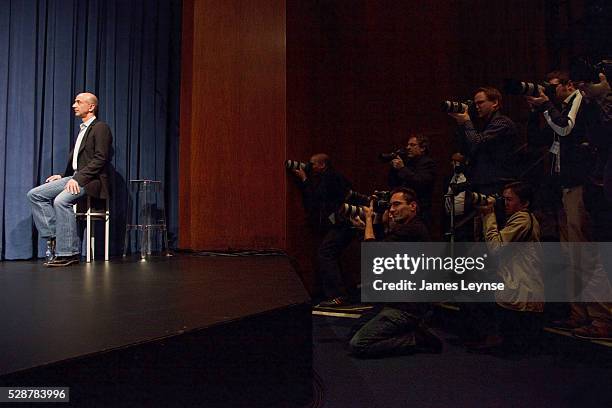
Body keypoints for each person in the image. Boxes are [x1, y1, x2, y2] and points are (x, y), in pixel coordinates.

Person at [526, 71, 612, 340]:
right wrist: (535, 111)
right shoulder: (558, 109)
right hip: (561, 188)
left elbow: (566, 128)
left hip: (579, 184)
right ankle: (579, 314)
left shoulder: (580, 103)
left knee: (585, 252)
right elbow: (536, 141)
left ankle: (601, 316)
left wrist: (546, 106)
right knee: (570, 255)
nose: (549, 93)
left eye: (553, 88)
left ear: (569, 86)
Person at [347, 188, 442, 357]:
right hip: (394, 302)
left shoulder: (414, 229)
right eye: (390, 205)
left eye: (397, 204)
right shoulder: (407, 228)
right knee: (351, 334)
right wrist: (368, 227)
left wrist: (369, 220)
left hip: (407, 308)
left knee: (358, 345)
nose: (391, 210)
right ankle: (409, 329)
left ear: (413, 206)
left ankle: (416, 338)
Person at [27, 93, 112, 267]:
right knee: (35, 194)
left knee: (61, 201)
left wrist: (78, 178)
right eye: (74, 102)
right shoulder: (82, 130)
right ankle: (56, 237)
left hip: (92, 180)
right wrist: (64, 175)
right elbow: (78, 160)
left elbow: (100, 158)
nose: (74, 105)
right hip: (75, 176)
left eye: (78, 102)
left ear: (91, 107)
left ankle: (69, 253)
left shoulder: (100, 127)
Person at [473, 182, 545, 351]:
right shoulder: (518, 218)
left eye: (509, 200)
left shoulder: (522, 218)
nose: (504, 204)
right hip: (518, 285)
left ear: (525, 203)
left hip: (523, 291)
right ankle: (492, 335)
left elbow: (495, 248)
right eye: (503, 199)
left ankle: (494, 336)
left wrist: (489, 215)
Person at [292, 153, 356, 307]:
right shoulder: (335, 177)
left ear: (322, 165)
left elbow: (316, 198)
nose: (310, 166)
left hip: (342, 223)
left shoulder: (329, 178)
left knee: (325, 253)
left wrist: (304, 179)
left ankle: (337, 295)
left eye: (312, 164)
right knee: (331, 253)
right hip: (346, 222)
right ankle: (344, 292)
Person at [449, 87, 518, 196]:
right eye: (475, 104)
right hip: (484, 183)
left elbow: (476, 143)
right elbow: (467, 149)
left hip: (497, 185)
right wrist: (461, 124)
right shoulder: (486, 125)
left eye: (480, 103)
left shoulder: (503, 123)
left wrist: (467, 121)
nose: (477, 107)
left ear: (495, 103)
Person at [388, 133, 437, 226]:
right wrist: (394, 169)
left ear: (423, 148)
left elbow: (421, 183)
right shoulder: (407, 163)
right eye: (408, 145)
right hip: (405, 211)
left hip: (420, 212)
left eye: (412, 145)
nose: (408, 148)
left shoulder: (428, 163)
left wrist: (402, 168)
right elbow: (393, 184)